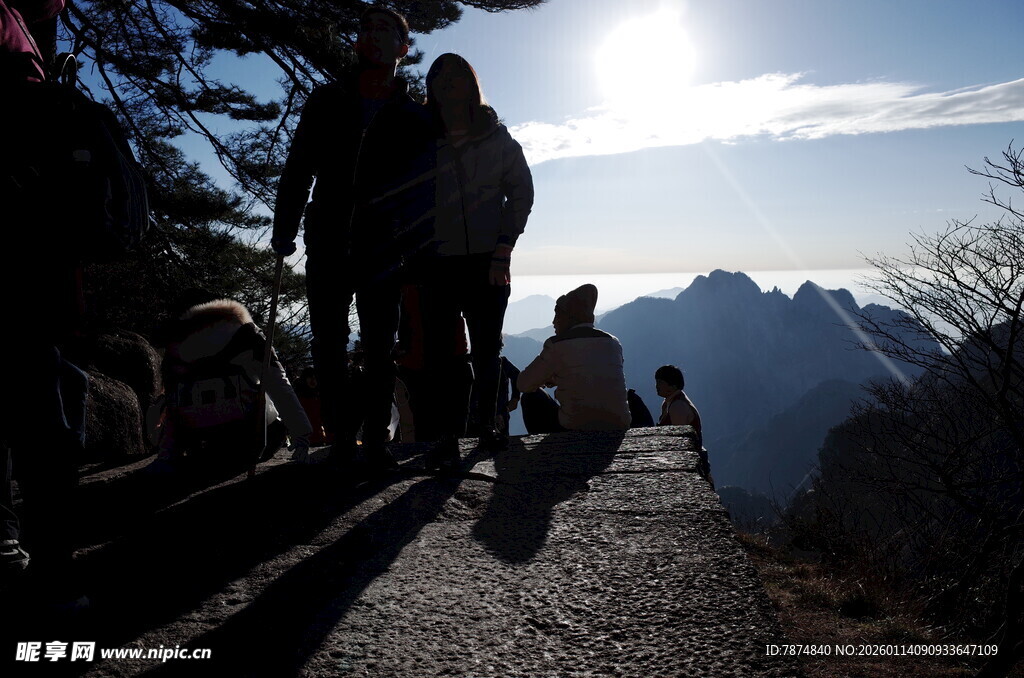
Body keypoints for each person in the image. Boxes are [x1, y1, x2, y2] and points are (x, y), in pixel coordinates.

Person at [271, 6, 433, 473]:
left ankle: (376, 439)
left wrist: (418, 247)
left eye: (386, 30)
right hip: (327, 235)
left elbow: (426, 189)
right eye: (366, 29)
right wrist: (284, 231)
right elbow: (299, 168)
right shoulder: (326, 101)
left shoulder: (413, 116)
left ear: (404, 48)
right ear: (357, 43)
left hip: (385, 244)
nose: (373, 36)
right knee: (328, 341)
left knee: (381, 344)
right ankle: (343, 437)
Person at [415, 52, 534, 461]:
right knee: (438, 354)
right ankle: (445, 433)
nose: (447, 81)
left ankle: (487, 425)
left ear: (471, 82)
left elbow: (521, 193)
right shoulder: (421, 137)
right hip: (435, 261)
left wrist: (504, 247)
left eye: (456, 74)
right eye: (439, 75)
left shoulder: (496, 137)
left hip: (488, 259)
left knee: (486, 349)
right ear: (430, 86)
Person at [153, 298, 313, 469]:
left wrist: (166, 454)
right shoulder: (247, 335)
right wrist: (301, 434)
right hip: (249, 440)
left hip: (199, 444)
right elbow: (279, 386)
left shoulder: (175, 347)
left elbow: (174, 404)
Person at [517, 284, 631, 433]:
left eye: (557, 316)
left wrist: (551, 376)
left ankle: (547, 453)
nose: (553, 322)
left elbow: (523, 384)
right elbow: (595, 374)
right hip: (618, 426)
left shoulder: (556, 345)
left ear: (568, 318)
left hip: (575, 427)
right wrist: (559, 378)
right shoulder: (613, 342)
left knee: (530, 398)